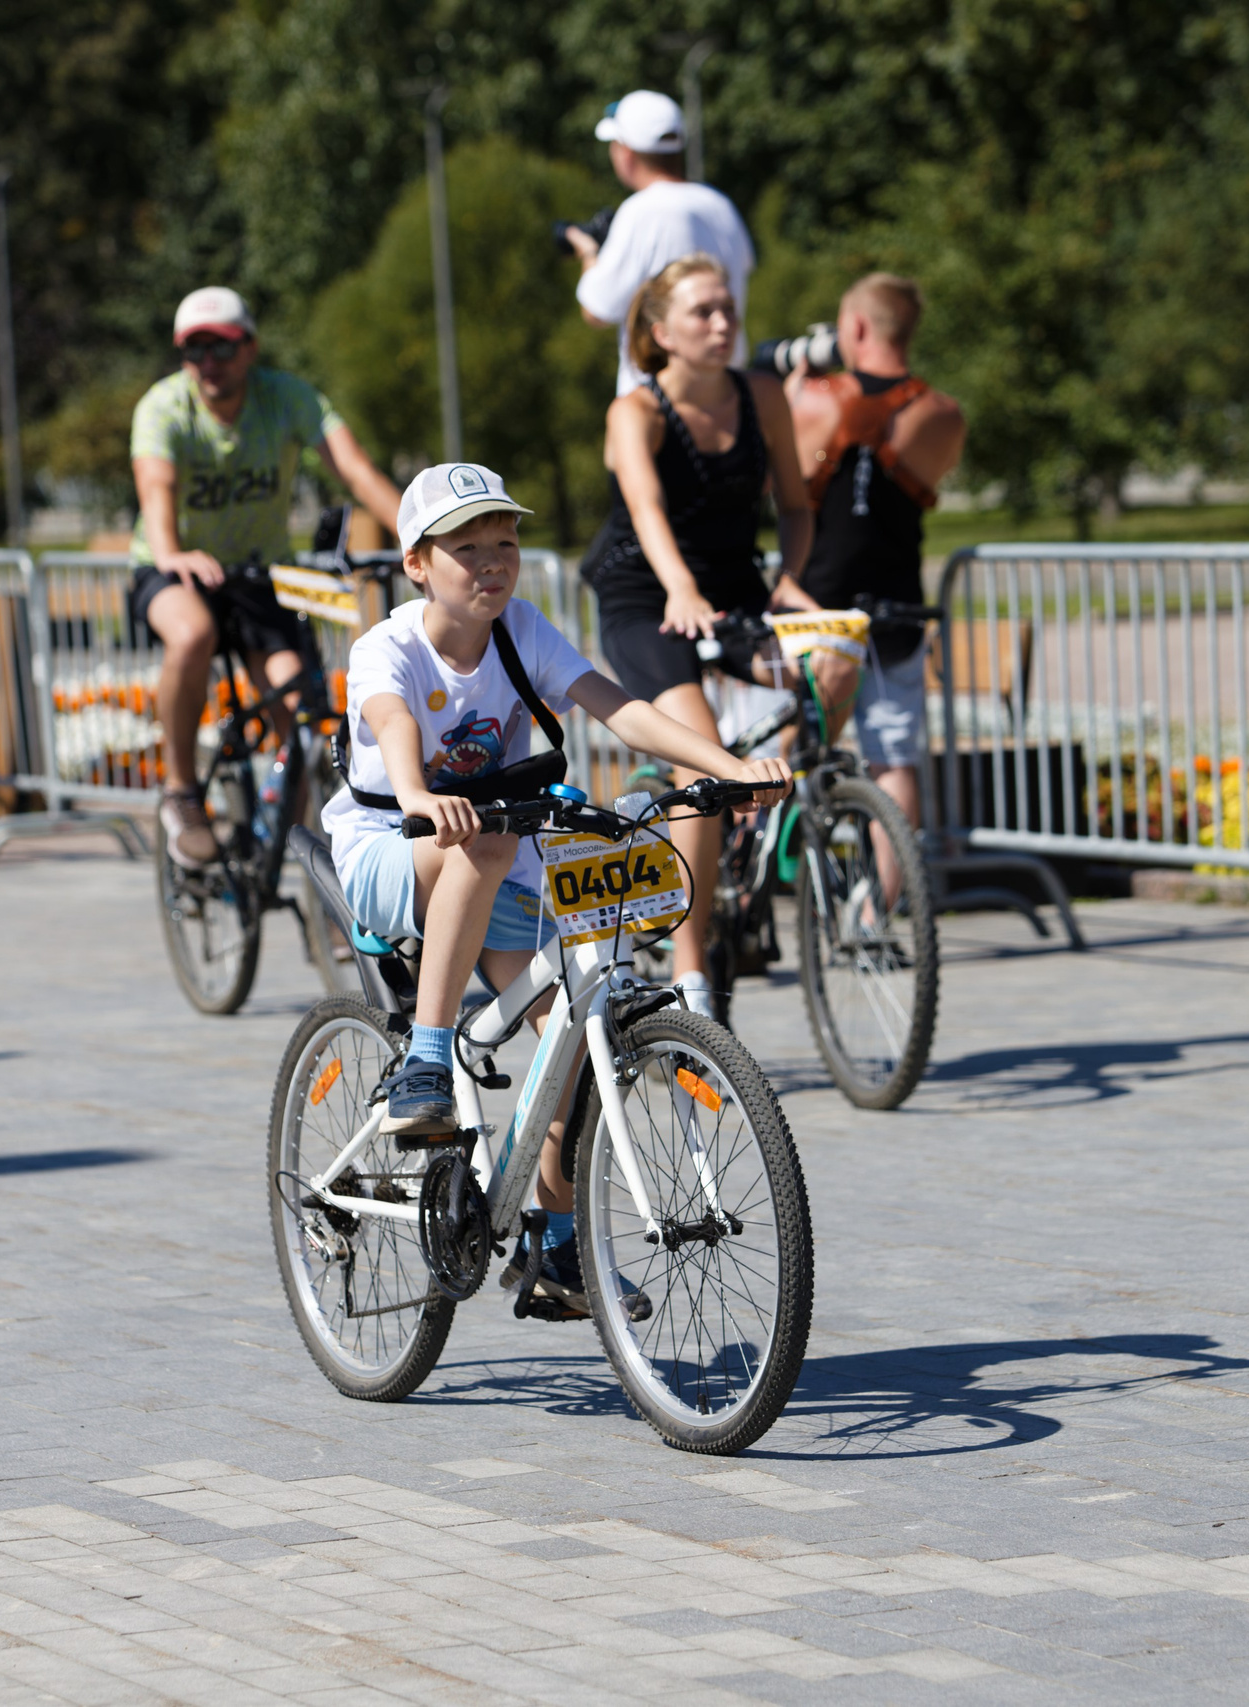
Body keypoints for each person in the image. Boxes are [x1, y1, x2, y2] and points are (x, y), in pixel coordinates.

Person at [322, 461, 787, 1295]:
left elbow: (620, 706)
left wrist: (730, 766)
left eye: (506, 542)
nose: (494, 562)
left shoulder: (522, 630)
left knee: (571, 1029)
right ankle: (426, 1060)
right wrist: (423, 793)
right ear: (417, 564)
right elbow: (392, 722)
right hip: (394, 846)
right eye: (467, 548)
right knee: (491, 845)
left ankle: (554, 1243)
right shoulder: (386, 647)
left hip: (491, 851)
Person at [578, 254, 817, 1018]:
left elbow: (797, 504)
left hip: (733, 585)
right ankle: (691, 974)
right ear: (659, 332)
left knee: (831, 668)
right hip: (645, 589)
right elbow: (645, 510)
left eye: (728, 310)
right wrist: (678, 585)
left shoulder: (764, 394)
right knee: (701, 753)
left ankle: (793, 827)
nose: (723, 324)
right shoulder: (636, 411)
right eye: (703, 313)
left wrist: (791, 579)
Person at [130, 285, 402, 868]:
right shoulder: (164, 406)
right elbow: (156, 488)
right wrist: (171, 551)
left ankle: (295, 855)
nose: (208, 363)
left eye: (222, 348)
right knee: (192, 634)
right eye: (193, 350)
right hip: (175, 567)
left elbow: (353, 468)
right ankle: (180, 791)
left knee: (301, 713)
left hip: (260, 575)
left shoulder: (285, 398)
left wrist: (422, 539)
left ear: (250, 348)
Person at [781, 272, 966, 898]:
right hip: (896, 608)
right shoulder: (942, 414)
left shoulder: (810, 400)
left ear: (855, 327)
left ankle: (758, 879)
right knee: (894, 760)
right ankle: (879, 910)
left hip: (815, 607)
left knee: (786, 745)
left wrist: (788, 394)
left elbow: (774, 489)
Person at [568, 90, 756, 396]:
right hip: (729, 396)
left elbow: (596, 310)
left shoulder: (640, 211)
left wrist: (589, 253)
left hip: (663, 402)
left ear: (625, 152)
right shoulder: (721, 205)